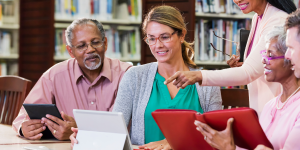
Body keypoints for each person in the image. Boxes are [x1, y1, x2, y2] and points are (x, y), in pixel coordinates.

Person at [70, 5, 222, 150]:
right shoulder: (135, 77)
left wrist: (174, 142)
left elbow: (217, 136)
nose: (158, 45)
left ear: (182, 35)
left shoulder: (207, 82)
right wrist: (85, 137)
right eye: (152, 38)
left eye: (164, 37)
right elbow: (115, 130)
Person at [165, 0, 297, 115]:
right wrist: (245, 62)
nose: (236, 0)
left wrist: (199, 76)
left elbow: (248, 73)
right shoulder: (257, 17)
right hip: (264, 107)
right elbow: (259, 66)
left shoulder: (277, 19)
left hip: (278, 109)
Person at [12, 18, 132, 140]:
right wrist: (24, 129)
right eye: (81, 46)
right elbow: (23, 116)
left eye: (95, 42)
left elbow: (118, 128)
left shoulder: (126, 75)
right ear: (70, 51)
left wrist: (79, 131)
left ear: (105, 44)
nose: (90, 49)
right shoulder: (54, 76)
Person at [195, 26, 300, 150]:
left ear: (291, 58)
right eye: (263, 53)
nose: (263, 60)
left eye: (270, 55)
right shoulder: (270, 105)